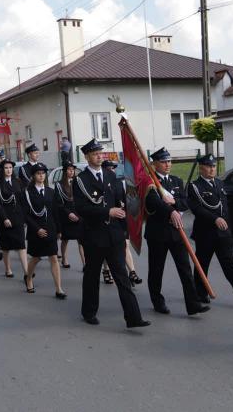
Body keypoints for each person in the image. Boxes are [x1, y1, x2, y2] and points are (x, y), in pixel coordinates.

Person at [73, 139, 149, 329]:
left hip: (114, 235)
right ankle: (89, 312)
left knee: (122, 276)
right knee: (92, 276)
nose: (99, 156)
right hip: (94, 236)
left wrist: (124, 230)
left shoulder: (110, 175)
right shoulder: (81, 180)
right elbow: (82, 208)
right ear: (87, 157)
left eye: (101, 153)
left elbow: (120, 202)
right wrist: (107, 212)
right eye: (95, 154)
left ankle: (133, 317)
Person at [144, 147, 208, 317]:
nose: (168, 164)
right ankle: (157, 301)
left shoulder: (176, 180)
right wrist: (171, 211)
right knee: (156, 270)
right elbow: (153, 202)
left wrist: (174, 204)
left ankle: (193, 305)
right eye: (163, 162)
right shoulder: (150, 182)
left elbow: (185, 202)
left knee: (185, 269)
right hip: (158, 233)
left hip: (176, 232)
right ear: (154, 164)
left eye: (169, 161)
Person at [187, 153, 233, 305]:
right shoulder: (195, 187)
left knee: (229, 264)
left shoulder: (219, 183)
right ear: (201, 168)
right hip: (205, 233)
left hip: (223, 234)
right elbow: (197, 209)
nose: (212, 169)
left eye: (213, 166)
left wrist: (229, 229)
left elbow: (225, 208)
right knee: (202, 265)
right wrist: (214, 219)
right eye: (208, 166)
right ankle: (201, 293)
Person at [22, 163, 65, 298]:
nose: (41, 176)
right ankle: (29, 278)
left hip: (50, 229)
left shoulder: (50, 191)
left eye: (43, 173)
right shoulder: (27, 193)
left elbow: (55, 212)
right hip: (35, 230)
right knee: (36, 258)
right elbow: (25, 214)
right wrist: (37, 229)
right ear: (33, 176)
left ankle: (59, 289)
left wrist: (59, 230)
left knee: (54, 258)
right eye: (38, 173)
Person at [100, 160, 142, 286]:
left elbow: (124, 200)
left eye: (113, 168)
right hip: (106, 219)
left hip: (120, 219)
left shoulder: (118, 183)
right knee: (107, 248)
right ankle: (106, 269)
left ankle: (132, 272)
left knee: (125, 245)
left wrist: (127, 215)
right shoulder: (100, 183)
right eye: (109, 168)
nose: (112, 170)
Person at [0, 159, 28, 279]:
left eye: (10, 168)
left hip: (18, 217)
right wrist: (4, 218)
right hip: (5, 217)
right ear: (2, 169)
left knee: (21, 245)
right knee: (6, 247)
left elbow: (23, 200)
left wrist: (24, 218)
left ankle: (27, 272)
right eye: (6, 168)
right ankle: (8, 269)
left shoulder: (18, 181)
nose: (9, 170)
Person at [53, 161, 84, 269]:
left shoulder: (78, 182)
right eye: (69, 170)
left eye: (73, 170)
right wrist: (68, 213)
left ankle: (85, 263)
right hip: (65, 214)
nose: (71, 172)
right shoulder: (59, 185)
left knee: (81, 240)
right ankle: (64, 259)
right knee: (65, 239)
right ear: (65, 171)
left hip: (78, 213)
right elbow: (58, 202)